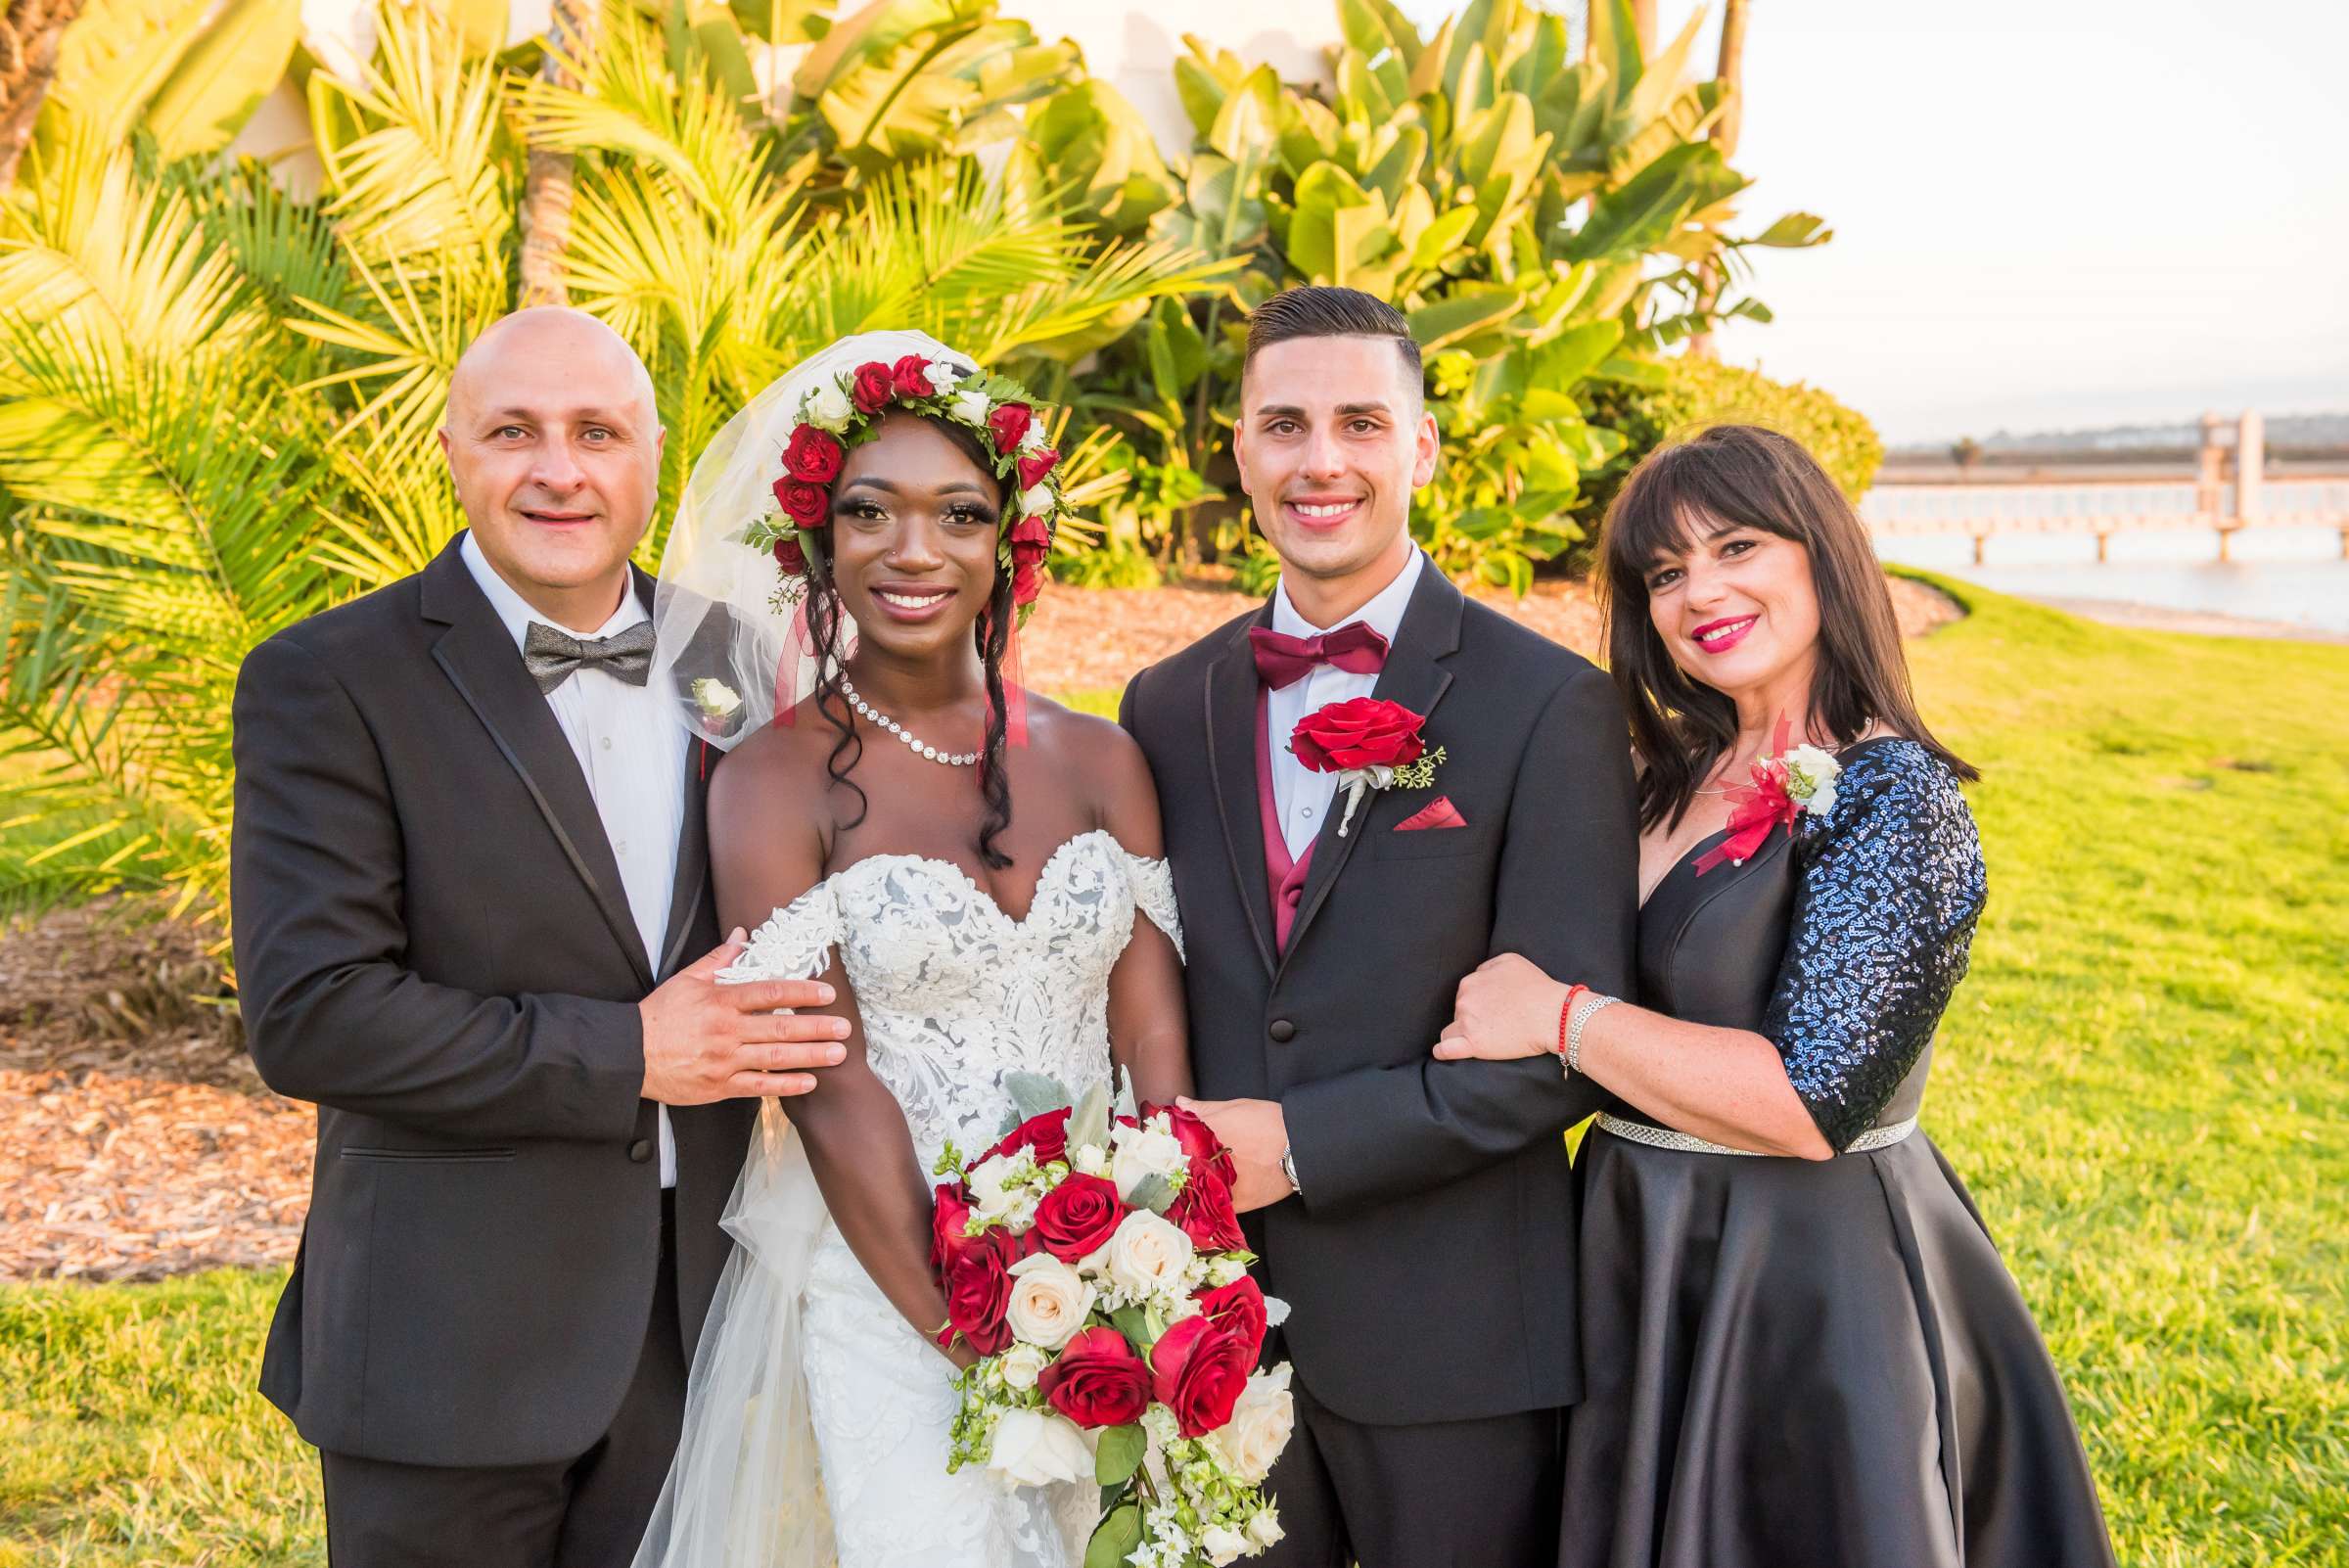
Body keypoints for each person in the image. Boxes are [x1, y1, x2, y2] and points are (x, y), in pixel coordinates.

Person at [230, 307, 851, 1568]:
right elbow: (314, 1013)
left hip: (692, 1328)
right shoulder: (328, 678)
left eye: (597, 433)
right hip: (447, 1343)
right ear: (454, 451)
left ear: (653, 458)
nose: (559, 469)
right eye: (514, 432)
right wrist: (627, 1053)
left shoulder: (730, 658)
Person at [1434, 423, 2118, 1567]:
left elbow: (1811, 1104)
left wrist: (1560, 1017)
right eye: (1664, 572)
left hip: (1802, 1275)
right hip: (1634, 1245)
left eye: (1736, 546)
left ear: (1821, 556)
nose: (1700, 590)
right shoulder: (1655, 774)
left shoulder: (1895, 799)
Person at [629, 331, 1191, 1568]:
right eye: (870, 511)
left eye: (959, 513)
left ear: (1010, 542)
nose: (914, 549)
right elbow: (828, 1083)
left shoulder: (1104, 760)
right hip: (895, 1284)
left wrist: (1162, 1273)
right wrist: (982, 1339)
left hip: (1119, 1275)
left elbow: (1151, 1028)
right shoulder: (771, 779)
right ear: (819, 538)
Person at [1120, 287, 1640, 1567]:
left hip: (1458, 1341)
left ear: (1422, 447)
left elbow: (1553, 1056)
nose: (1320, 460)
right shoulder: (1161, 704)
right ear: (1239, 450)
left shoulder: (1548, 705)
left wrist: (1296, 1143)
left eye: (1361, 421)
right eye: (1283, 423)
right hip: (1220, 1334)